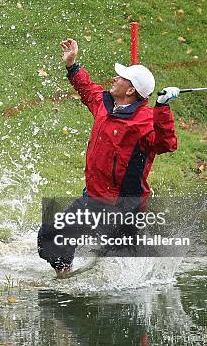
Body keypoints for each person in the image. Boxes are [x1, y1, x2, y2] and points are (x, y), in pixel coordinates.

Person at [38, 38, 180, 278]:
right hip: (95, 197)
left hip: (122, 205)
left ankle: (73, 279)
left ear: (131, 90)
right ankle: (65, 276)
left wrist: (163, 109)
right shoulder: (105, 105)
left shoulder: (145, 120)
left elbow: (166, 144)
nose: (114, 78)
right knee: (53, 236)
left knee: (117, 255)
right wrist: (72, 65)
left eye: (121, 77)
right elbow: (87, 89)